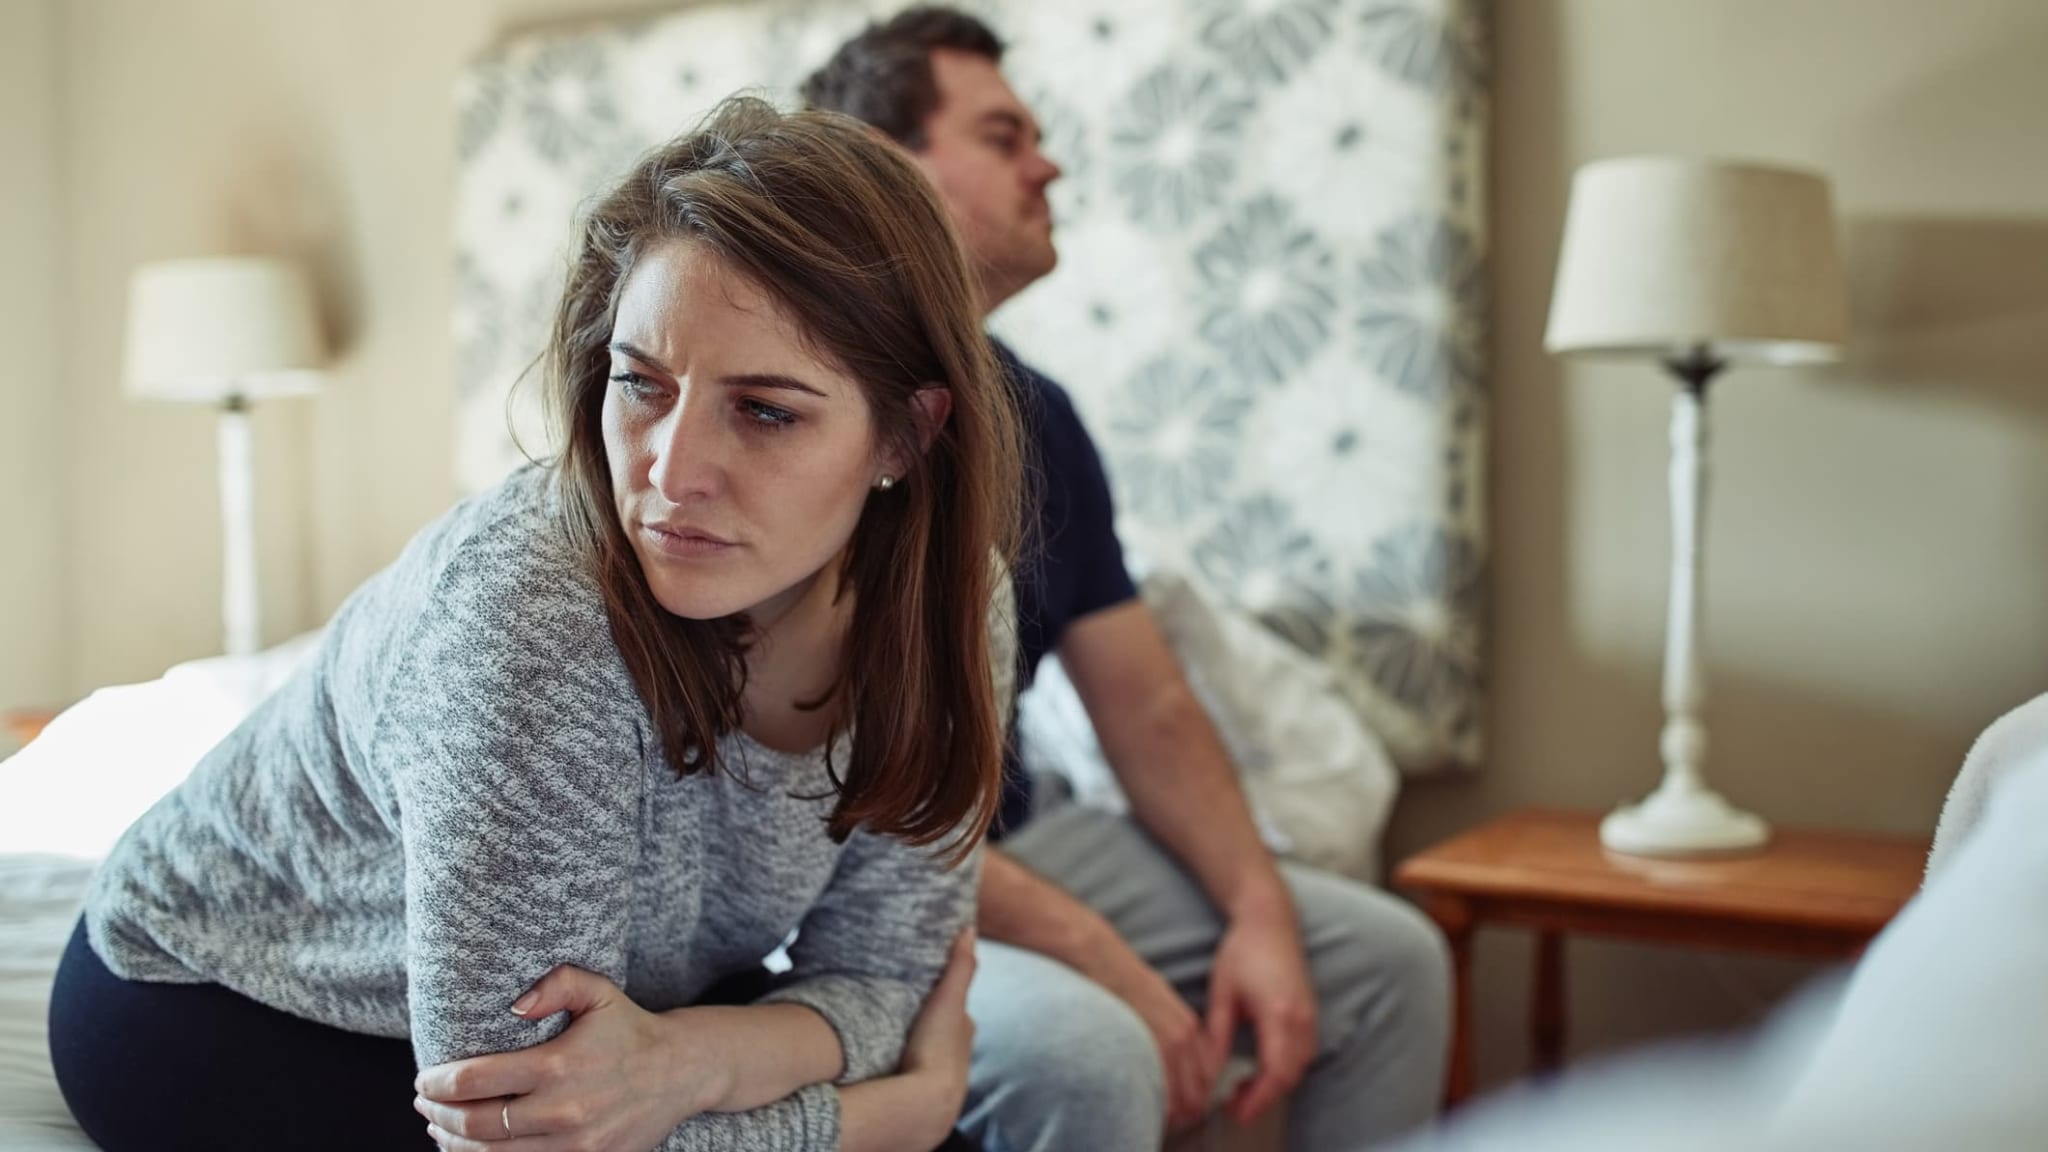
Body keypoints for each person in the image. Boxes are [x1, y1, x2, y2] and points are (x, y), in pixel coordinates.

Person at [48, 97, 1021, 1152]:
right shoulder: (531, 618)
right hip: (234, 1004)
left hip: (622, 1017)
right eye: (640, 385)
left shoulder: (952, 606)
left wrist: (692, 1057)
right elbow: (516, 1130)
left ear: (906, 435)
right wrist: (891, 1116)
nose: (672, 473)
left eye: (765, 410)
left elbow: (881, 975)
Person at [806, 11, 1453, 1150]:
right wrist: (1106, 962)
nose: (1046, 165)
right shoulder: (803, 409)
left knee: (1389, 962)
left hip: (1014, 843)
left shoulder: (1038, 418)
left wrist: (1258, 913)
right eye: (1003, 137)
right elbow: (831, 811)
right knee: (1090, 1056)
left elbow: (1146, 704)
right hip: (840, 889)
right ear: (888, 165)